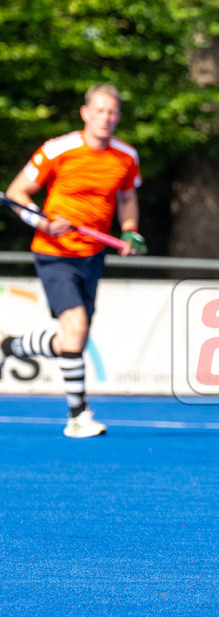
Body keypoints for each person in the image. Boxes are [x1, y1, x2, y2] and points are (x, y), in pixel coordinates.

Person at [0, 83, 145, 438]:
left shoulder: (126, 156)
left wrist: (129, 229)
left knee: (72, 339)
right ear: (85, 113)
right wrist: (44, 222)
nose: (105, 118)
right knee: (76, 325)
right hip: (53, 253)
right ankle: (78, 415)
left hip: (92, 255)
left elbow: (126, 196)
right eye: (99, 111)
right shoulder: (57, 150)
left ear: (118, 116)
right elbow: (17, 193)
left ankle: (10, 346)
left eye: (111, 112)